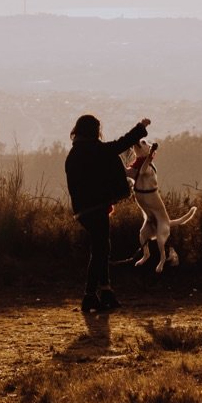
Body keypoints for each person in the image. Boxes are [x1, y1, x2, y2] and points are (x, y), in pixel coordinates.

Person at [65, 113, 151, 313]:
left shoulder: (73, 155)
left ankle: (105, 291)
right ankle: (90, 295)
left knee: (102, 247)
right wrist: (141, 127)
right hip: (97, 208)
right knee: (100, 250)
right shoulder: (97, 150)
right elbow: (124, 143)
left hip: (82, 211)